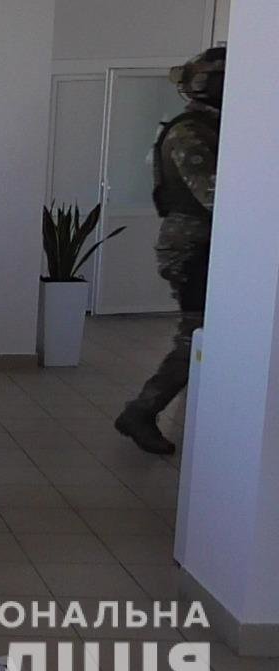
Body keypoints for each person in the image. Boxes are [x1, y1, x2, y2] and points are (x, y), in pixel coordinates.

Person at [115, 46, 225, 455]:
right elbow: (216, 196)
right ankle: (143, 410)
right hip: (194, 248)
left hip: (207, 245)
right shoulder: (190, 132)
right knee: (196, 335)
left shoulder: (212, 127)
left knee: (208, 335)